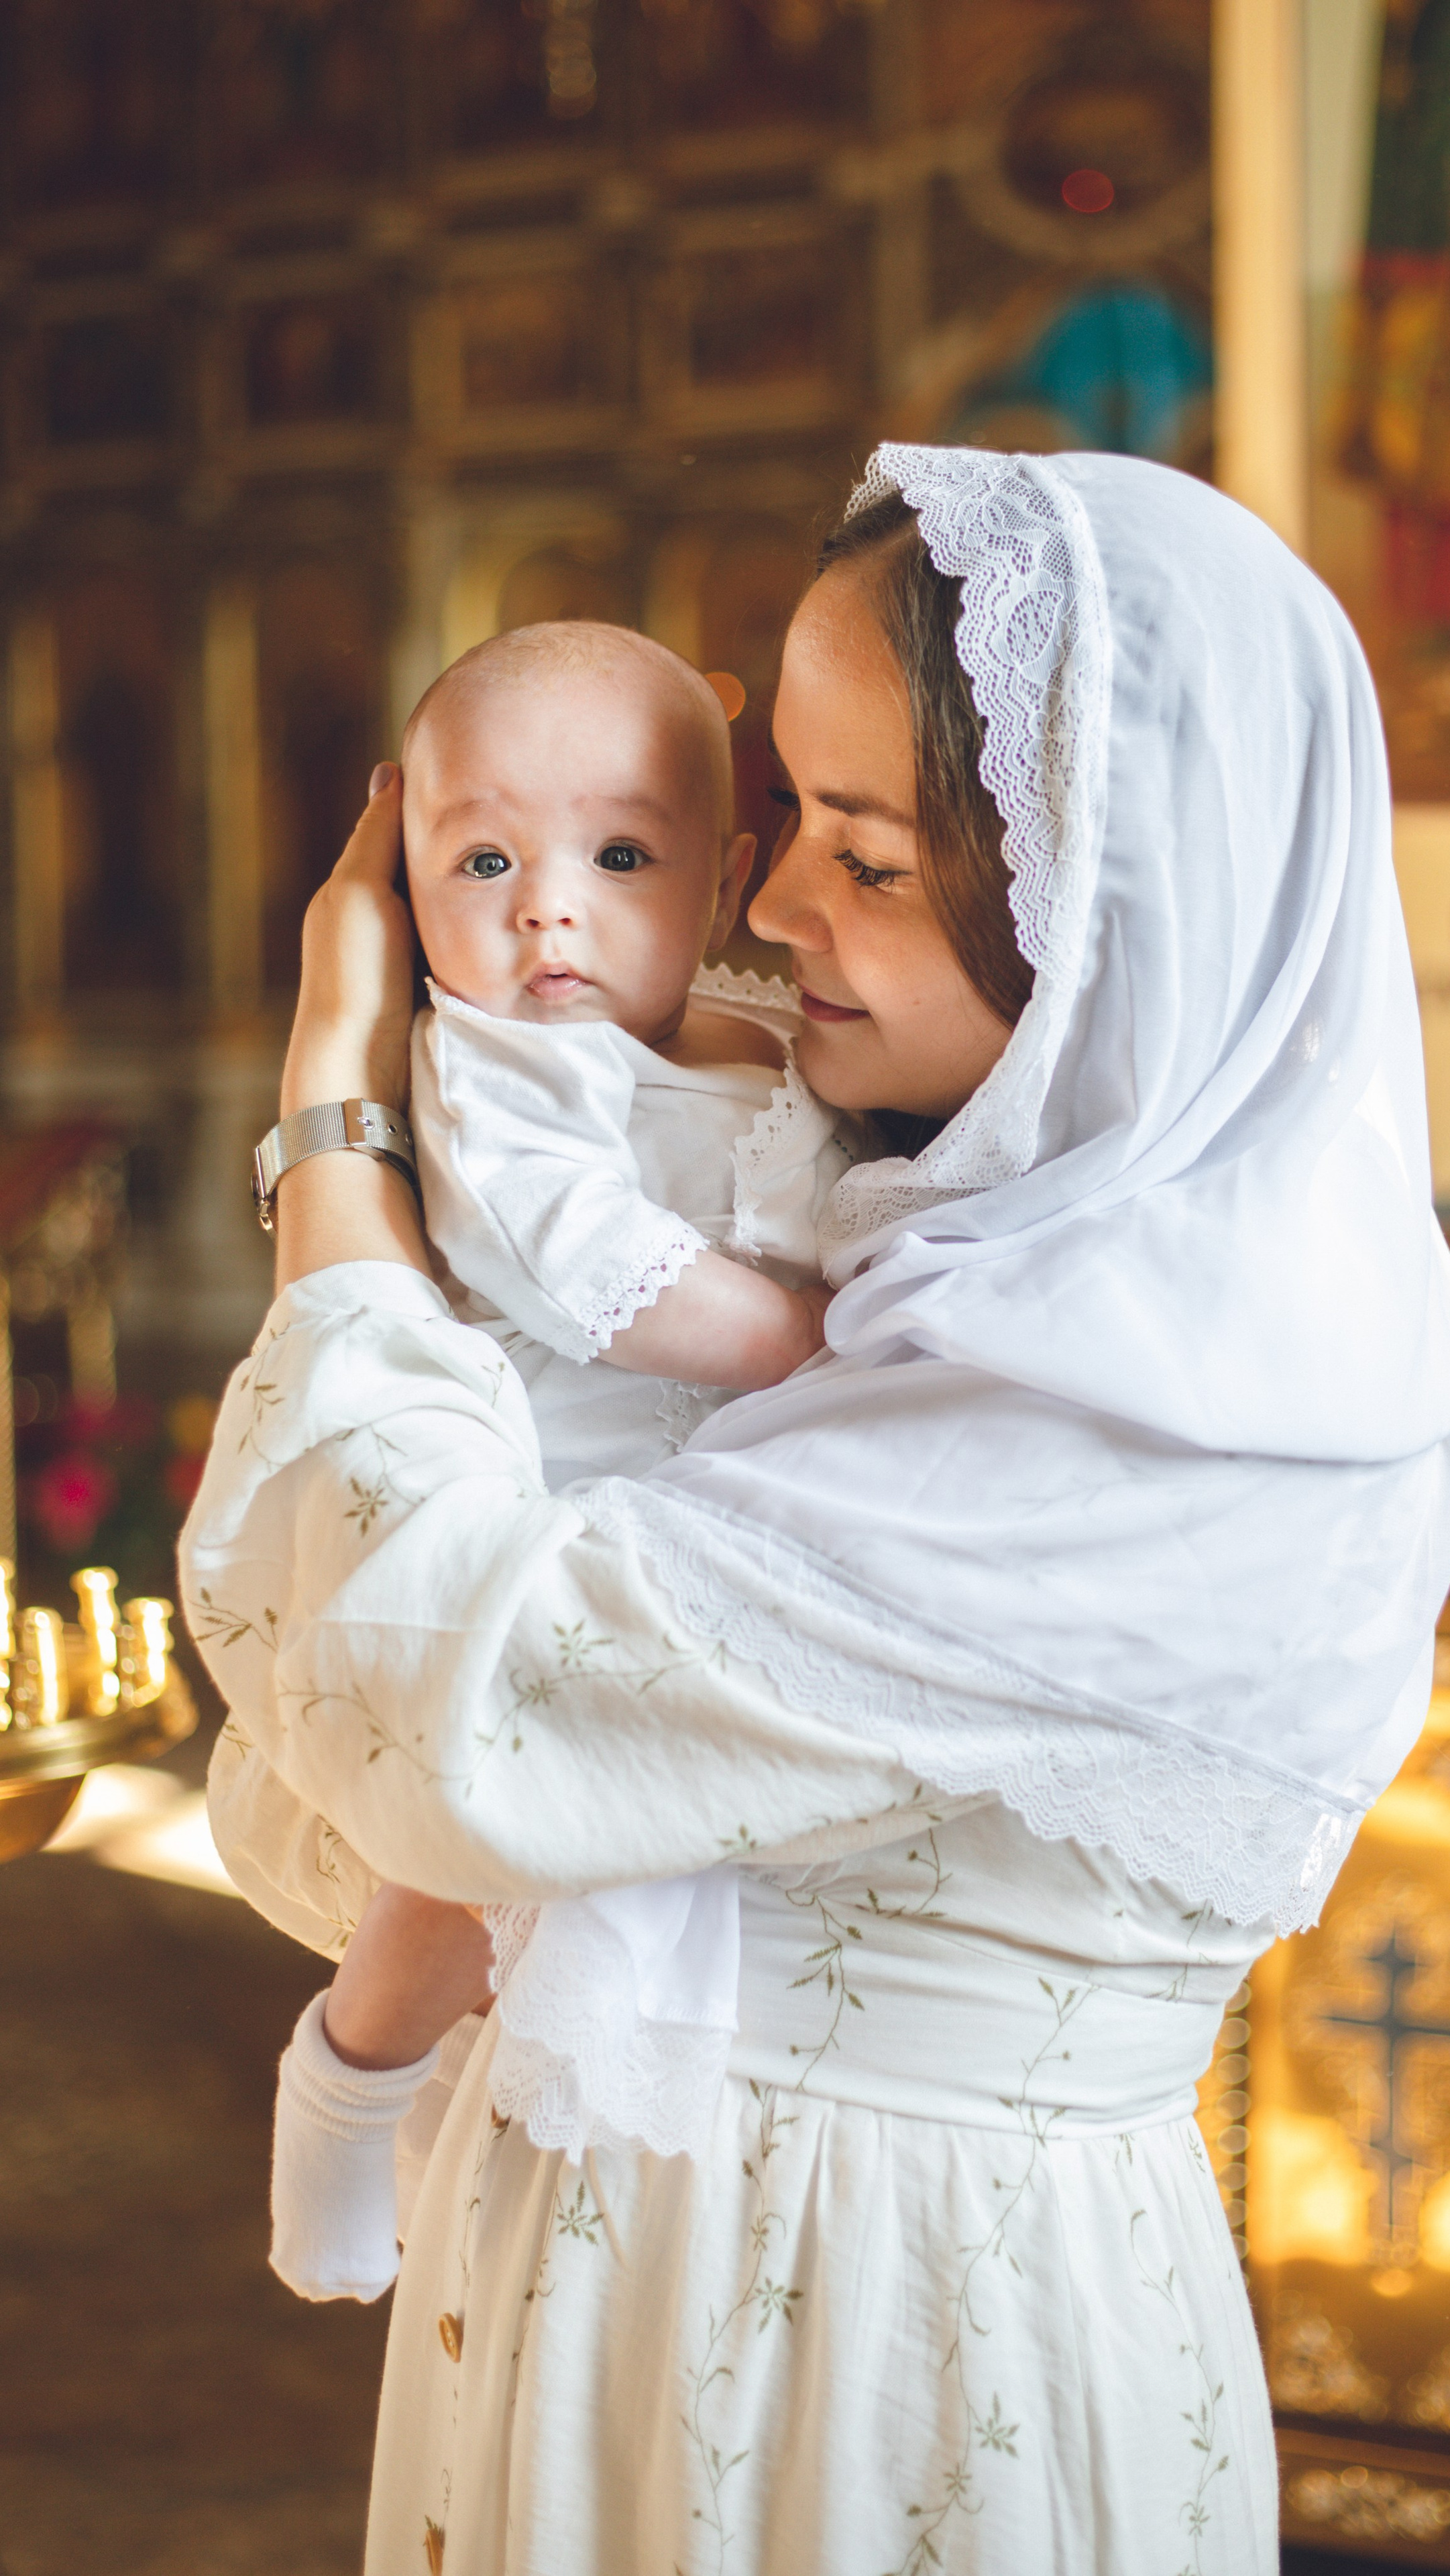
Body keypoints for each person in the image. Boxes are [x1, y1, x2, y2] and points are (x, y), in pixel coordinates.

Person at [183, 444, 1450, 2575]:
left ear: (1116, 915)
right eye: (783, 813)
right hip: (636, 2298)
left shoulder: (1153, 1410)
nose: (772, 902)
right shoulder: (935, 1248)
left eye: (871, 856)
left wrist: (337, 1127)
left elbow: (448, 1733)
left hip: (883, 2370)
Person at [267, 623, 855, 2306]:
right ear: (403, 883)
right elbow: (581, 1263)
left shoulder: (763, 1044)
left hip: (703, 1532)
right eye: (483, 859)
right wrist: (813, 1344)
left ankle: (522, 2146)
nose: (546, 909)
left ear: (731, 873)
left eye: (616, 855)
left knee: (628, 1867)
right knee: (467, 1855)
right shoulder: (497, 1068)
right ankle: (341, 2084)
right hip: (536, 1528)